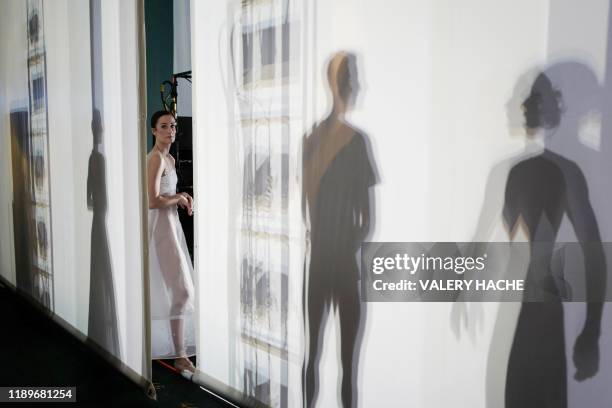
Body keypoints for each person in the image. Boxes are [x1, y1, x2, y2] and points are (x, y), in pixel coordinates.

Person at [302, 51, 376, 408]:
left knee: (316, 354)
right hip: (339, 264)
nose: (357, 84)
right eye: (352, 76)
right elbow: (367, 219)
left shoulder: (312, 139)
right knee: (341, 361)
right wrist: (349, 246)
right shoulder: (351, 141)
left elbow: (308, 209)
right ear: (340, 83)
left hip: (322, 262)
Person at [147, 110, 196, 374]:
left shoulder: (171, 159)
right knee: (182, 291)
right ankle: (179, 355)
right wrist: (178, 198)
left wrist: (183, 196)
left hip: (172, 227)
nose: (170, 130)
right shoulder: (155, 158)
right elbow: (152, 201)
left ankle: (179, 353)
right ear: (154, 131)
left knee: (180, 291)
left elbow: (168, 194)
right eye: (164, 126)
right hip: (161, 230)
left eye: (173, 126)